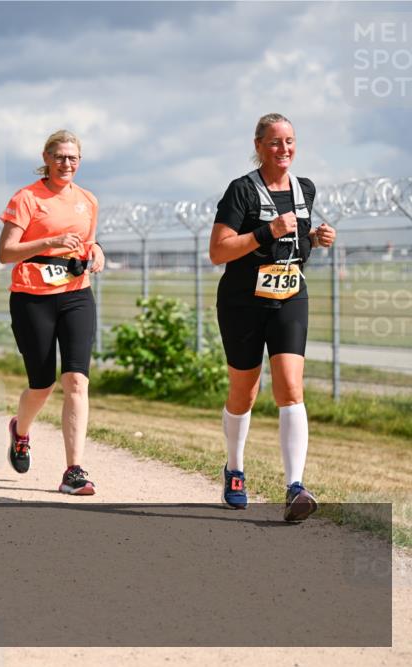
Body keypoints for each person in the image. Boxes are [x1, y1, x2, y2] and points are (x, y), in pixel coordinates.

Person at [209, 113, 336, 522]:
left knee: (290, 387)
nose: (285, 149)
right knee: (244, 393)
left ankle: (295, 487)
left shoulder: (305, 189)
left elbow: (292, 245)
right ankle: (234, 468)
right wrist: (266, 231)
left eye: (291, 141)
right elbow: (219, 251)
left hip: (289, 296)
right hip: (243, 302)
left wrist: (314, 238)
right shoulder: (242, 191)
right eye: (276, 142)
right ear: (259, 145)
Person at [0, 130, 105, 495]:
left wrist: (98, 252)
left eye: (73, 157)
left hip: (76, 295)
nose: (67, 164)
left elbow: (86, 242)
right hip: (32, 297)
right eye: (60, 156)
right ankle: (21, 431)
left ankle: (74, 470)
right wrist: (50, 242)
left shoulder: (87, 200)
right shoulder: (27, 198)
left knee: (76, 380)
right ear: (46, 157)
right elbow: (6, 251)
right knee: (41, 385)